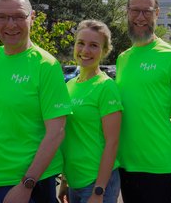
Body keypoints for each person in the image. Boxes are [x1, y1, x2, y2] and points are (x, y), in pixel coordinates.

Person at [0, 0, 72, 203]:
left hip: (30, 185)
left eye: (19, 16)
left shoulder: (45, 65)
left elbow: (56, 132)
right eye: (1, 17)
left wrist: (26, 184)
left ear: (32, 18)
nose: (10, 25)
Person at [115, 0, 171, 203]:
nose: (140, 17)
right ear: (127, 12)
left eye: (147, 11)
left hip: (162, 167)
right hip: (126, 166)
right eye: (135, 11)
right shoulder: (123, 59)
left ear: (156, 13)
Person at [58, 20, 122, 203]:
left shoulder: (106, 87)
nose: (85, 50)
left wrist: (99, 190)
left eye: (94, 45)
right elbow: (69, 137)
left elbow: (112, 142)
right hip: (75, 181)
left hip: (97, 183)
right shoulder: (69, 85)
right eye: (81, 43)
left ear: (104, 51)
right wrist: (65, 181)